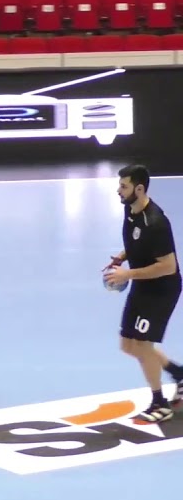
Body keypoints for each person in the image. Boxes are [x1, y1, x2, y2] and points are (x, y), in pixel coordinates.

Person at [103, 164, 183, 423]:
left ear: (139, 189)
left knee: (142, 345)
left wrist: (127, 274)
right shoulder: (131, 209)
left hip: (161, 290)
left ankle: (160, 403)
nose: (118, 191)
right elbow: (137, 242)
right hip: (142, 285)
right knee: (128, 345)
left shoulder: (156, 222)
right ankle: (179, 374)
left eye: (123, 186)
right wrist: (122, 256)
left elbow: (168, 266)